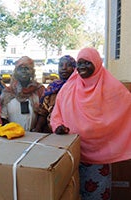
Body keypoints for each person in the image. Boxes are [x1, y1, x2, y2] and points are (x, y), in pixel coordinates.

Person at [50, 47, 131, 200]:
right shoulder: (69, 87)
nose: (82, 67)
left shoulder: (111, 87)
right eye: (80, 63)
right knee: (72, 193)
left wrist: (95, 128)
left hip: (99, 155)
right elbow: (57, 113)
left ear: (97, 63)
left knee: (97, 194)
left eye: (87, 63)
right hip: (72, 152)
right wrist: (58, 126)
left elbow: (126, 109)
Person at [0, 56, 45, 131]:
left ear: (32, 72)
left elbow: (43, 113)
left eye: (27, 68)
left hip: (34, 134)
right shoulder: (8, 92)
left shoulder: (39, 90)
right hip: (13, 135)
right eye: (20, 68)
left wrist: (38, 129)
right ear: (15, 72)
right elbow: (3, 117)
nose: (23, 71)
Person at [33, 55, 76, 133]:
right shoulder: (52, 87)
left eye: (68, 65)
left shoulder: (79, 87)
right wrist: (37, 129)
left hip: (74, 132)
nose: (64, 68)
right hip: (53, 132)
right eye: (61, 65)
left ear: (75, 68)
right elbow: (44, 111)